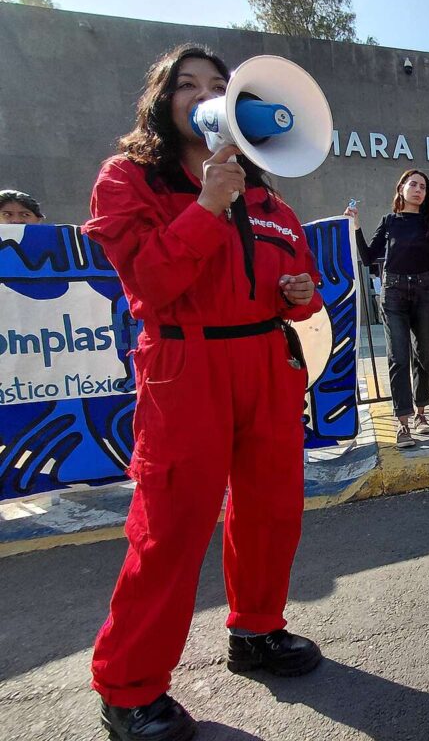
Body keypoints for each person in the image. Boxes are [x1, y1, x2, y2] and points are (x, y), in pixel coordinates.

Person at [82, 44, 324, 741]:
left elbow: (298, 284)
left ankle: (256, 630)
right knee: (172, 528)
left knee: (271, 510)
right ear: (162, 101)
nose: (206, 95)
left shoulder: (267, 196)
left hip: (265, 365)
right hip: (186, 367)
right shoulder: (127, 180)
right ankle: (128, 689)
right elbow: (152, 283)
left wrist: (300, 296)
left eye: (219, 85)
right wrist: (208, 205)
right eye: (187, 85)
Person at [346, 170, 429, 448]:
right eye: (413, 184)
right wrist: (355, 227)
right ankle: (403, 423)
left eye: (424, 187)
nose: (419, 190)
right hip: (393, 293)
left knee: (424, 355)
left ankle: (421, 413)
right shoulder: (390, 221)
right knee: (398, 357)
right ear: (402, 188)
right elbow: (369, 257)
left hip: (426, 291)